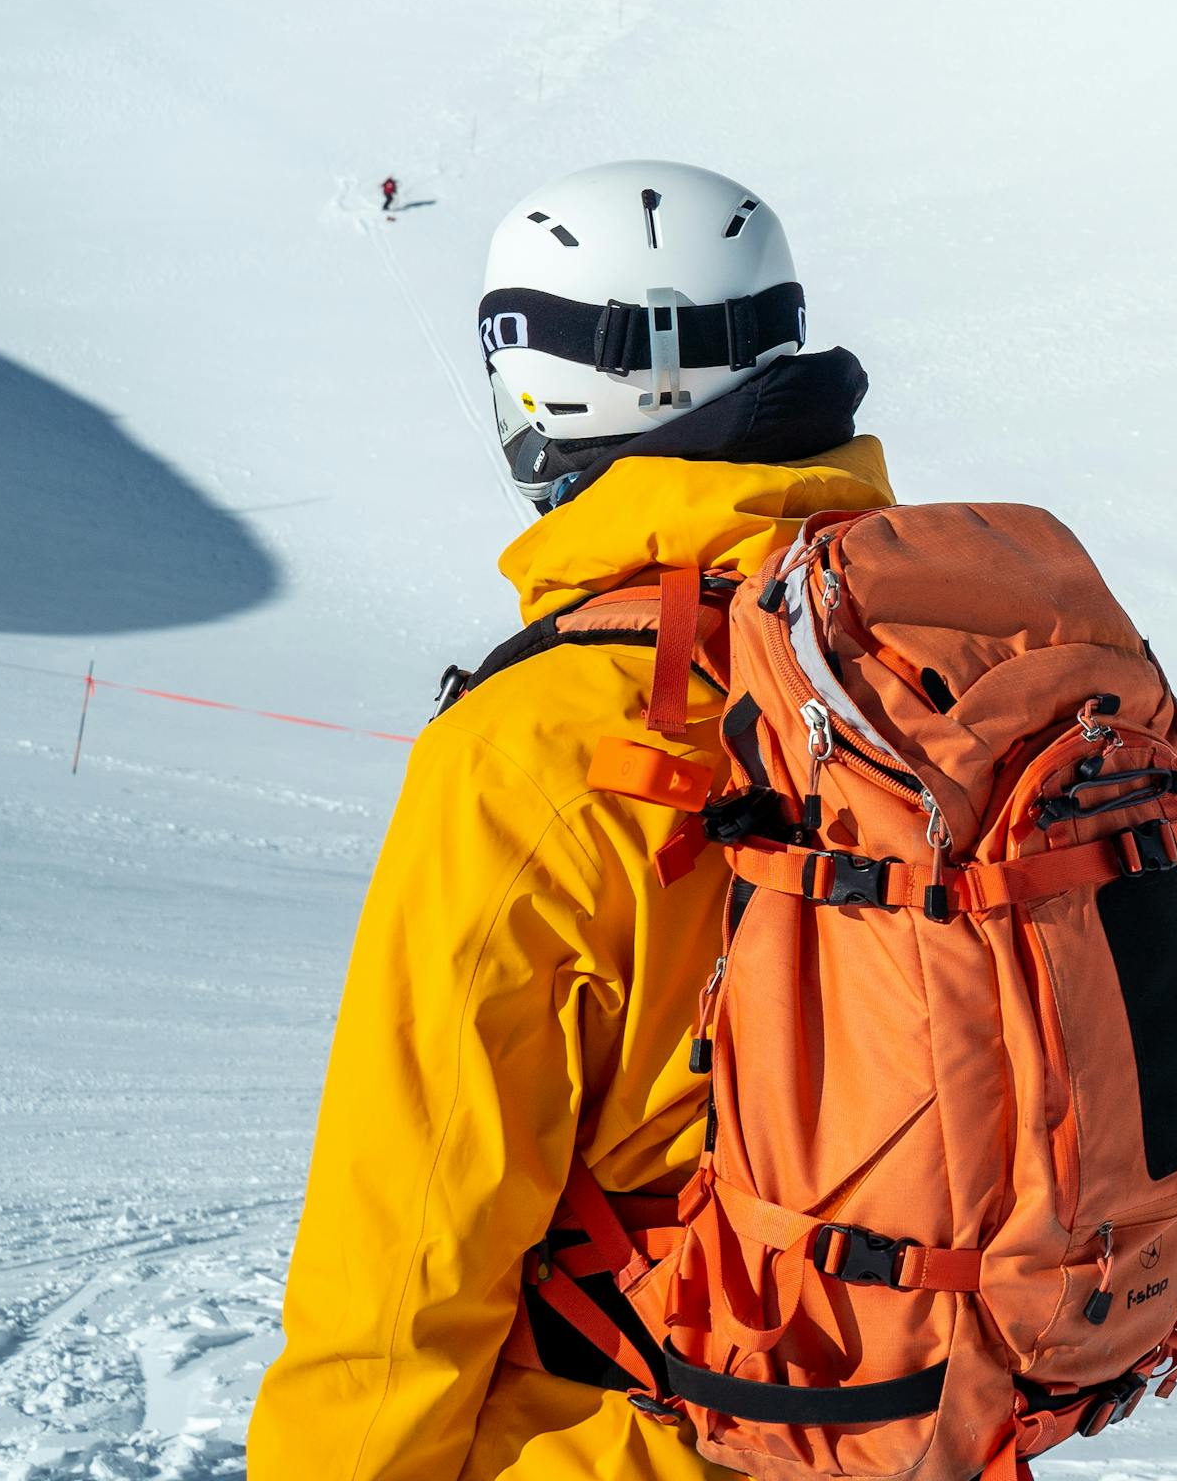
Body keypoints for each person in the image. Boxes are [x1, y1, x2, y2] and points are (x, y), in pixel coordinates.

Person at [251, 160, 883, 1481]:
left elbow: (411, 1237)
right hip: (910, 1413)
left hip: (629, 1436)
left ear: (540, 392)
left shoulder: (537, 741)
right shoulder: (919, 657)